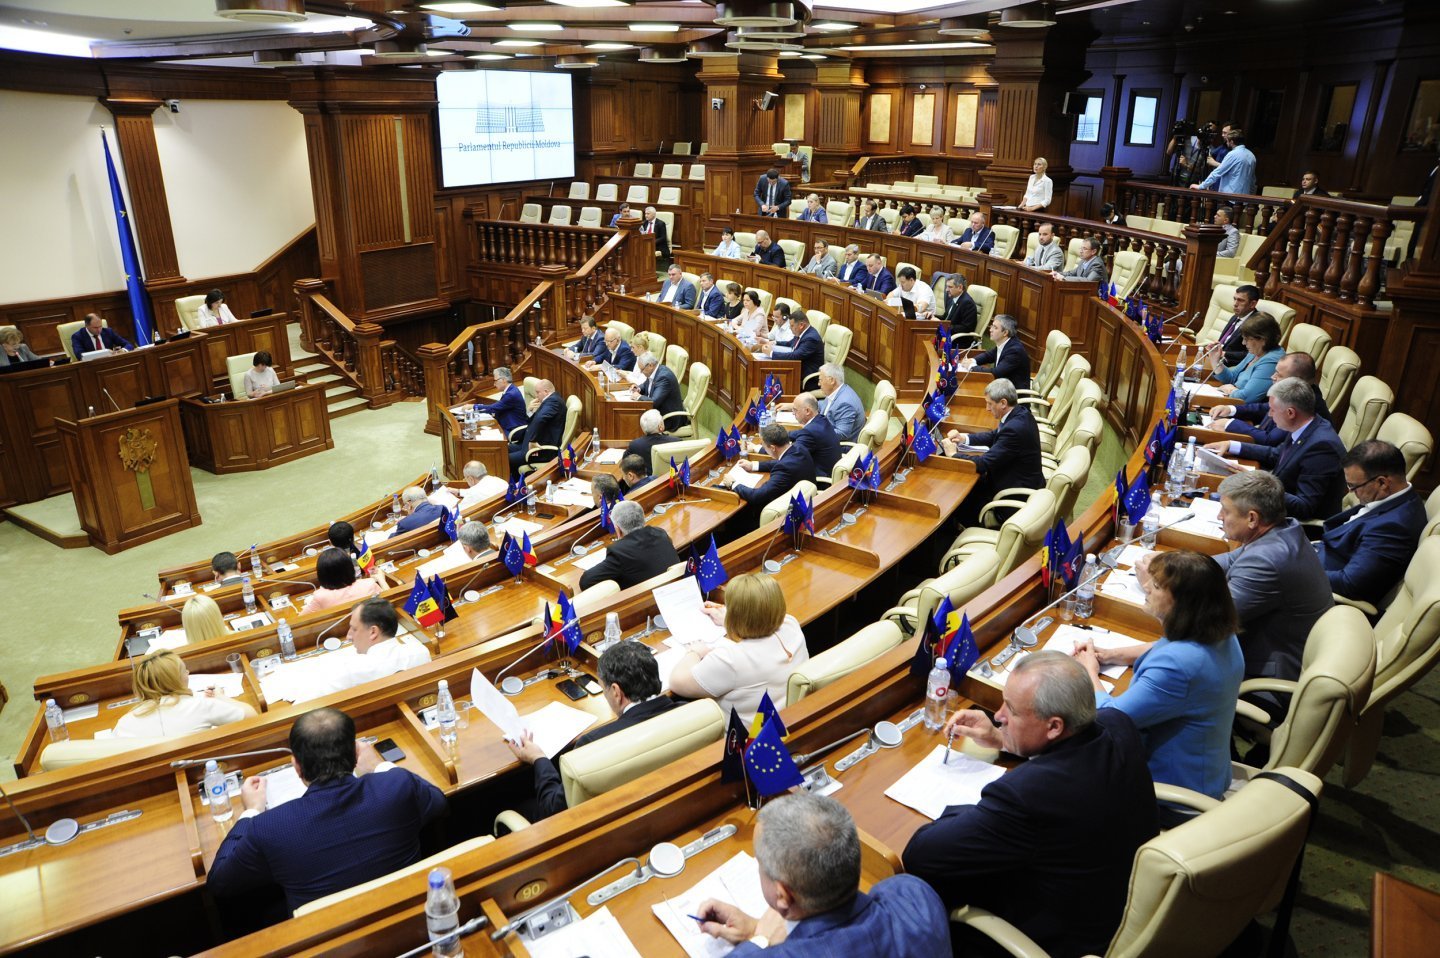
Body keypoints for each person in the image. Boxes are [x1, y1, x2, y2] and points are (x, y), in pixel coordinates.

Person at [902, 653, 1157, 958]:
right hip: (1119, 902)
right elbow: (1070, 760)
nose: (998, 716)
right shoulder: (1118, 724)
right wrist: (1003, 739)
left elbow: (919, 855)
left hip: (1061, 939)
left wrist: (971, 814)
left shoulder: (1026, 797)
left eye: (1011, 710)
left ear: (1054, 726)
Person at [206, 706, 446, 914]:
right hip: (411, 916)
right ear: (355, 753)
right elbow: (438, 802)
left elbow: (220, 882)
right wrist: (381, 766)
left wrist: (251, 812)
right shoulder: (397, 785)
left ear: (297, 767)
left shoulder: (269, 826)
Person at [1074, 550, 1243, 803]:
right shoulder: (1220, 632)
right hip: (1206, 771)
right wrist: (1112, 654)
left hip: (1171, 792)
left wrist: (1088, 670)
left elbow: (1110, 720)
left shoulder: (1177, 666)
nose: (1146, 588)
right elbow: (1165, 645)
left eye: (1155, 585)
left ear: (1180, 602)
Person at [697, 794, 952, 957]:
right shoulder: (914, 894)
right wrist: (755, 929)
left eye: (760, 864)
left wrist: (762, 939)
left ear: (783, 895)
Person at [505, 641, 677, 819]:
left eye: (604, 688)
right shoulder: (685, 709)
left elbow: (552, 809)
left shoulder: (593, 745)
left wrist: (538, 758)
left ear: (616, 692)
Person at [1211, 471, 1333, 698]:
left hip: (1266, 675)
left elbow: (1210, 619)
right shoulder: (1284, 530)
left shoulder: (1268, 558)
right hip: (1276, 645)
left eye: (1225, 511)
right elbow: (1230, 560)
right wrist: (1172, 567)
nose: (1219, 517)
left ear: (1252, 518)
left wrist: (1162, 587)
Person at [669, 573, 809, 723]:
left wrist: (695, 652)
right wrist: (728, 620)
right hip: (790, 719)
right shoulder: (791, 625)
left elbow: (677, 682)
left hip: (744, 740)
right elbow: (764, 618)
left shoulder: (730, 659)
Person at [1210, 377, 1347, 522]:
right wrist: (1232, 445)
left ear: (1290, 413)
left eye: (1273, 410)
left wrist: (1259, 484)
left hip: (1291, 524)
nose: (1269, 415)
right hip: (1274, 501)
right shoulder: (1305, 425)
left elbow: (1304, 507)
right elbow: (1277, 454)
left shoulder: (1322, 447)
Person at [1318, 440, 1427, 605]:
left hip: (1322, 591)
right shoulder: (1395, 498)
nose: (1351, 492)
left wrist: (1301, 570)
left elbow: (1350, 583)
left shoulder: (1394, 528)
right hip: (1319, 555)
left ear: (1382, 483)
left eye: (1354, 486)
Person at [942, 378, 1044, 526]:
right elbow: (995, 435)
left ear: (1003, 403)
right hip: (1015, 478)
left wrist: (953, 455)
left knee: (955, 501)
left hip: (1013, 496)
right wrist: (964, 438)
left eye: (990, 404)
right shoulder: (1020, 413)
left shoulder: (1014, 429)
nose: (987, 409)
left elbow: (983, 464)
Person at [114, 649, 256, 738]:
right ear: (174, 680)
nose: (188, 673)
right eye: (184, 670)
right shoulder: (200, 705)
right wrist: (221, 697)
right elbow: (252, 716)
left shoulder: (124, 723)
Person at [315, 597, 433, 696]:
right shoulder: (420, 651)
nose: (348, 636)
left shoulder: (349, 671)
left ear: (373, 632)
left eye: (354, 629)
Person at [1209, 351, 1331, 442]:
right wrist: (1231, 409)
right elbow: (1265, 408)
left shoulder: (1306, 404)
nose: (1272, 377)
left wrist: (1230, 424)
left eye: (1279, 374)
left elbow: (1270, 440)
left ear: (1296, 380)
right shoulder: (1297, 391)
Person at [579, 500, 681, 591]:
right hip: (677, 589)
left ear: (617, 529)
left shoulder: (619, 551)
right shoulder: (660, 533)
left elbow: (586, 581)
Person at [720, 423, 815, 517]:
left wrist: (733, 484)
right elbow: (781, 462)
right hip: (805, 503)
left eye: (764, 446)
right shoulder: (799, 448)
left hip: (785, 515)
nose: (764, 449)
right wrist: (753, 465)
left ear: (773, 448)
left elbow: (756, 496)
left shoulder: (783, 468)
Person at [743, 393, 840, 478]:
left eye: (795, 410)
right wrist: (774, 435)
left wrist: (754, 463)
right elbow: (795, 434)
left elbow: (789, 458)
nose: (793, 413)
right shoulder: (820, 420)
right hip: (825, 468)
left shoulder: (810, 432)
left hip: (818, 478)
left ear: (807, 411)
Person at [1208, 313, 1284, 403]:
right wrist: (1215, 360)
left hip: (1248, 412)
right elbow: (1231, 378)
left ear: (1263, 339)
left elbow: (1246, 398)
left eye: (1247, 339)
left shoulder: (1272, 361)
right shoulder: (1256, 351)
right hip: (1233, 402)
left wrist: (1231, 390)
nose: (1243, 343)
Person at [301, 547, 383, 614]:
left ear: (321, 574)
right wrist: (382, 580)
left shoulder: (320, 597)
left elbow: (300, 620)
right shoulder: (369, 584)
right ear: (350, 567)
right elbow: (388, 602)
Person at [509, 379, 565, 475]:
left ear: (546, 392)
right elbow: (535, 420)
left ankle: (514, 485)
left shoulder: (554, 402)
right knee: (502, 450)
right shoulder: (549, 401)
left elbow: (540, 418)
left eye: (538, 392)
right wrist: (530, 411)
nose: (536, 395)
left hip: (540, 448)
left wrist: (533, 440)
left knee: (506, 459)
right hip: (527, 443)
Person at [964, 314, 1031, 392]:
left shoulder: (1014, 351)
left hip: (1012, 397)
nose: (990, 330)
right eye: (992, 326)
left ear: (1005, 333)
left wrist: (972, 367)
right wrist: (973, 360)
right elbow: (988, 355)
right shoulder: (1005, 343)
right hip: (1001, 389)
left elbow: (995, 373)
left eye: (995, 328)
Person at [1207, 284, 1262, 368]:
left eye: (1241, 300)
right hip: (1216, 359)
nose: (1235, 304)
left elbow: (1253, 354)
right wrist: (1215, 347)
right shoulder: (1236, 317)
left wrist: (1224, 354)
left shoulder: (1256, 324)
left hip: (1231, 366)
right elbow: (1224, 342)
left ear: (1252, 304)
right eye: (1235, 299)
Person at [764, 310, 824, 384]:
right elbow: (790, 343)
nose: (790, 328)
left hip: (807, 379)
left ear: (801, 325)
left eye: (792, 326)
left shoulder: (811, 339)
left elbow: (795, 356)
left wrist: (771, 353)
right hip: (796, 371)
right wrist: (774, 343)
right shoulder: (802, 332)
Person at [1193, 128, 1257, 196]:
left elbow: (1217, 172)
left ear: (1231, 142)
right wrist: (1252, 195)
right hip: (1245, 197)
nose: (1226, 143)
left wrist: (1201, 186)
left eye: (1227, 141)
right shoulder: (1251, 155)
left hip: (1230, 196)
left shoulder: (1232, 154)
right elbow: (1253, 179)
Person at [813, 363, 864, 443]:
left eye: (820, 380)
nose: (819, 384)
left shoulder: (845, 403)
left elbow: (842, 434)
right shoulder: (838, 391)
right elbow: (823, 405)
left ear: (832, 380)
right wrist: (795, 406)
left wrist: (814, 432)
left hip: (839, 446)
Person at [475, 367, 529, 438]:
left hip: (513, 430)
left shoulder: (511, 394)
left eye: (495, 381)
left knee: (487, 438)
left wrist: (474, 407)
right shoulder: (510, 390)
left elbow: (493, 408)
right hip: (507, 424)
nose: (494, 384)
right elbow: (497, 408)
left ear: (503, 380)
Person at [633, 352, 685, 424]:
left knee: (634, 419)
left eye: (642, 369)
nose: (641, 372)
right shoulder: (654, 371)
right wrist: (638, 388)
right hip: (657, 412)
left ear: (650, 365)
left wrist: (639, 397)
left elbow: (653, 403)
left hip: (668, 419)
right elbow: (646, 384)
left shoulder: (663, 377)